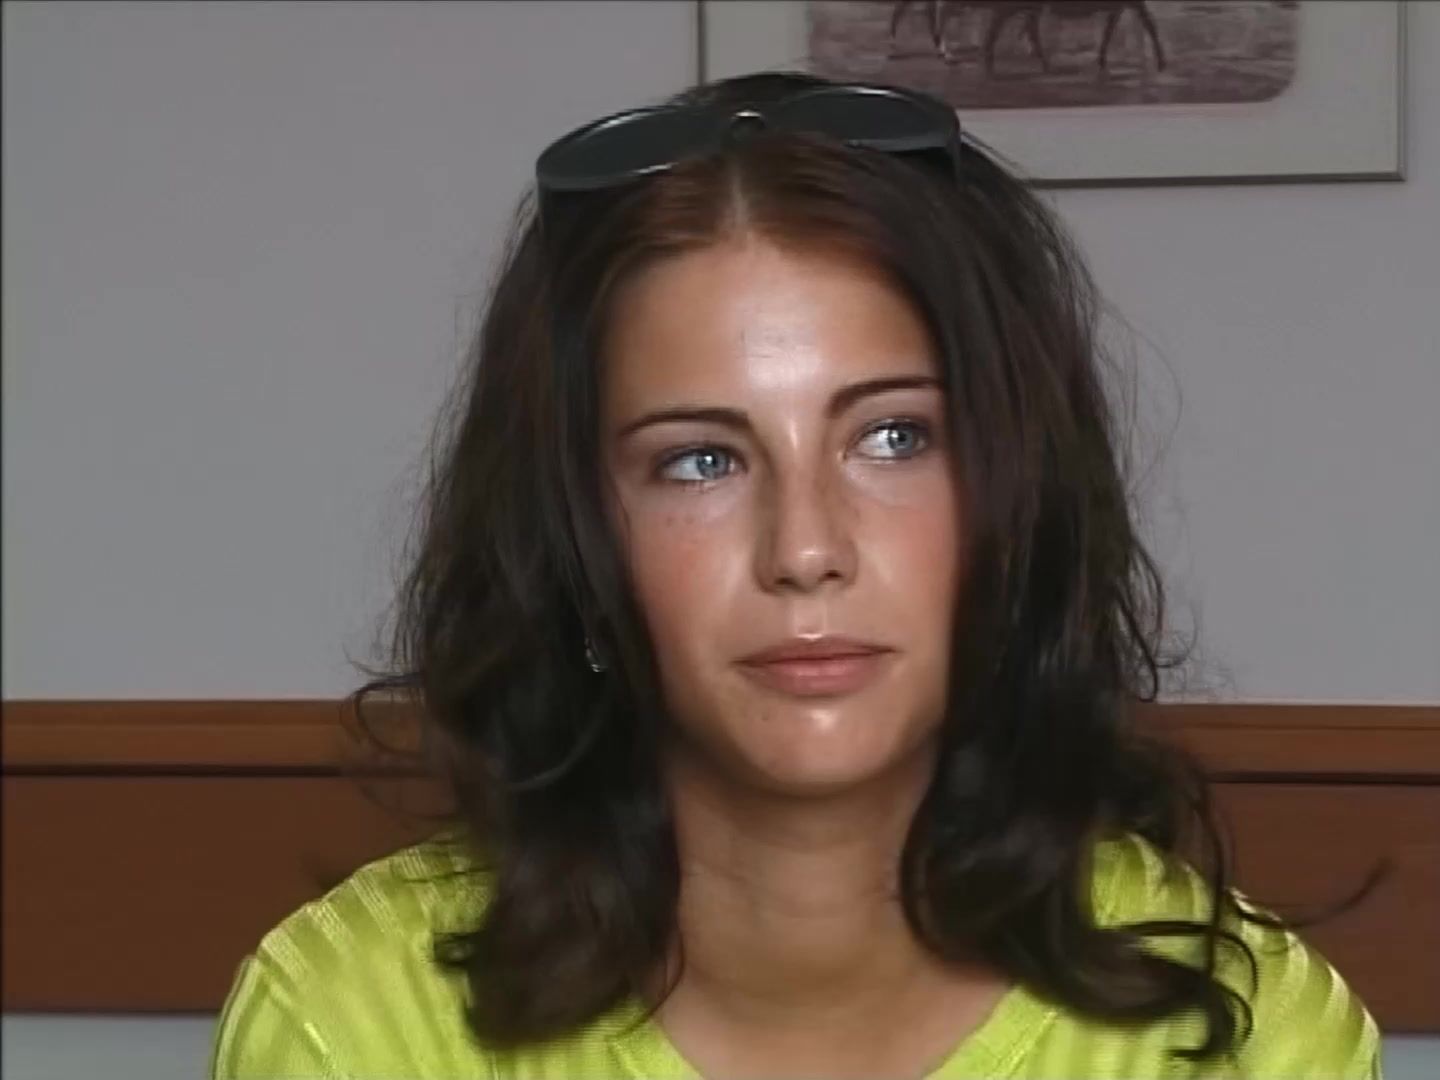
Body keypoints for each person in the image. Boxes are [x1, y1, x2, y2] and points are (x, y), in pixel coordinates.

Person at [209, 71, 1380, 1079]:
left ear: (1019, 498)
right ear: (577, 540)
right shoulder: (352, 1025)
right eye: (701, 460)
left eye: (894, 438)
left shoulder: (1247, 1035)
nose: (805, 549)